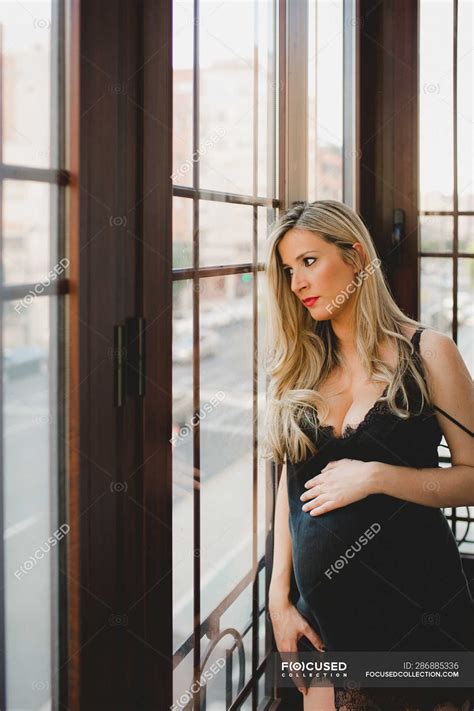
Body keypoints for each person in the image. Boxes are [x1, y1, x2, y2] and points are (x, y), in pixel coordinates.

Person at [262, 200, 474, 711]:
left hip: (417, 613)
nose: (297, 284)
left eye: (309, 262)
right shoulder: (301, 369)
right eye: (289, 271)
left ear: (356, 258)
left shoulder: (428, 353)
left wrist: (379, 476)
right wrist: (278, 597)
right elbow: (291, 491)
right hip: (321, 624)